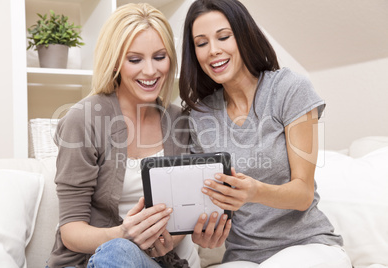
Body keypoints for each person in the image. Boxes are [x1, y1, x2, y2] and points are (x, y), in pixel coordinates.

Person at [179, 0, 352, 267]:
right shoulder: (200, 116)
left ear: (244, 34)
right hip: (243, 256)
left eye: (223, 37)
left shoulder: (288, 89)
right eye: (201, 43)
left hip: (307, 245)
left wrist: (255, 191)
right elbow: (209, 205)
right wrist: (206, 232)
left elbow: (303, 193)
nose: (213, 50)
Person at [46, 3, 221, 267]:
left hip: (157, 262)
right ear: (115, 61)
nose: (150, 71)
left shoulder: (181, 122)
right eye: (135, 59)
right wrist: (124, 235)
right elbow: (71, 231)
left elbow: (188, 211)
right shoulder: (84, 119)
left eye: (159, 57)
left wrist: (166, 241)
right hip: (94, 260)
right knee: (117, 251)